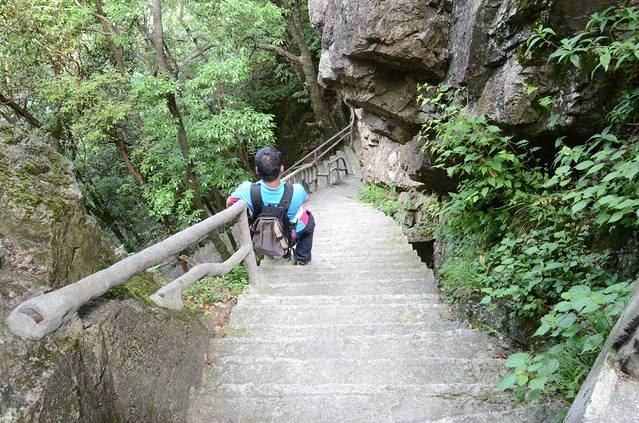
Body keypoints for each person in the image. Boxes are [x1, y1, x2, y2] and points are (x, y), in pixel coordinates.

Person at [226, 147, 315, 265]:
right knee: (309, 219)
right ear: (282, 168)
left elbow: (229, 202)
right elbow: (306, 199)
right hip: (289, 236)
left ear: (257, 170)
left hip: (263, 235)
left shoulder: (247, 189)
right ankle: (302, 258)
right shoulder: (297, 190)